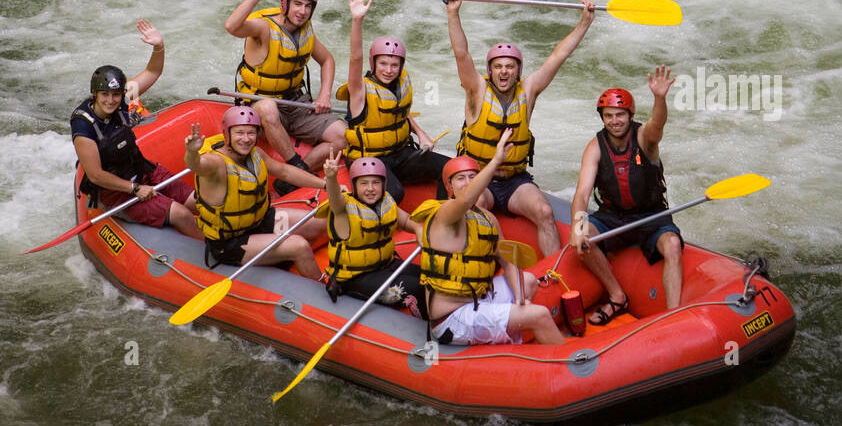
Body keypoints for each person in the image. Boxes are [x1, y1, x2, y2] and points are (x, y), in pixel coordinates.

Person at [444, 0, 595, 256]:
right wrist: (453, 13)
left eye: (510, 66)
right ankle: (482, 266)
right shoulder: (476, 89)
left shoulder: (529, 90)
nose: (504, 71)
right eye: (499, 66)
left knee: (545, 212)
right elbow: (461, 53)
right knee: (473, 205)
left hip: (515, 181)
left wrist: (584, 22)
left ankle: (553, 275)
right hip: (480, 177)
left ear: (519, 71)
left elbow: (558, 57)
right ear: (490, 71)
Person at [420, 130, 564, 346]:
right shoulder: (443, 215)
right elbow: (467, 200)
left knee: (528, 281)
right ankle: (568, 363)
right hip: (452, 319)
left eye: (473, 177)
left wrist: (520, 299)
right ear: (449, 188)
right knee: (540, 314)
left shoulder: (487, 219)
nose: (468, 183)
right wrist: (496, 161)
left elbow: (507, 261)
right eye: (461, 179)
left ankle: (508, 332)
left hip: (478, 300)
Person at [570, 67, 683, 322]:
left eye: (620, 115)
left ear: (630, 115)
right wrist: (577, 226)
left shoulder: (645, 138)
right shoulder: (595, 147)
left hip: (652, 215)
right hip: (613, 216)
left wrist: (660, 98)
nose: (614, 121)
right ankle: (617, 297)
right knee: (582, 239)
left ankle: (675, 316)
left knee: (673, 246)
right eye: (608, 115)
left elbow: (658, 124)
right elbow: (582, 193)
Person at [71, 20, 201, 238]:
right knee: (182, 215)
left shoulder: (122, 99)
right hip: (116, 192)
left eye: (116, 95)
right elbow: (95, 175)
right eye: (105, 95)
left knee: (198, 202)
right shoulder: (84, 125)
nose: (111, 101)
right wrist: (135, 189)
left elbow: (153, 71)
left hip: (143, 170)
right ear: (95, 95)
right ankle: (214, 256)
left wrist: (158, 46)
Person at [337, 0, 449, 203]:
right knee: (395, 193)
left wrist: (420, 133)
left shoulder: (400, 84)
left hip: (400, 153)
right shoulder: (359, 89)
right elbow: (355, 58)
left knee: (448, 168)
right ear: (373, 63)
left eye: (394, 65)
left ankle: (440, 220)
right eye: (383, 64)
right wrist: (357, 21)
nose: (389, 70)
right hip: (368, 158)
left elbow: (400, 112)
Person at [224, 0, 345, 173]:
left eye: (308, 6)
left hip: (296, 103)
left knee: (343, 136)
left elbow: (327, 60)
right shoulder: (264, 28)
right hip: (260, 103)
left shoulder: (305, 31)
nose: (303, 11)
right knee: (268, 108)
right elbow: (231, 26)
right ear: (284, 4)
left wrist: (324, 94)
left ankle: (302, 172)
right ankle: (293, 166)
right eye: (297, 4)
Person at [183, 106, 325, 276]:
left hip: (259, 222)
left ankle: (278, 258)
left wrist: (325, 184)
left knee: (319, 224)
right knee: (299, 246)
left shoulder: (255, 153)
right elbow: (196, 165)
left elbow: (284, 171)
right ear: (227, 134)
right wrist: (192, 152)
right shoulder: (216, 163)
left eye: (251, 133)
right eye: (239, 133)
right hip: (230, 242)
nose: (246, 139)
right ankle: (322, 292)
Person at [323, 151, 426, 317]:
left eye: (376, 183)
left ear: (384, 184)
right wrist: (331, 178)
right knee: (417, 287)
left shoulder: (385, 201)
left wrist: (419, 229)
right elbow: (335, 200)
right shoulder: (343, 209)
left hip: (385, 265)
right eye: (364, 183)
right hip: (356, 278)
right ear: (354, 186)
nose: (370, 189)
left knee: (429, 275)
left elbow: (406, 220)